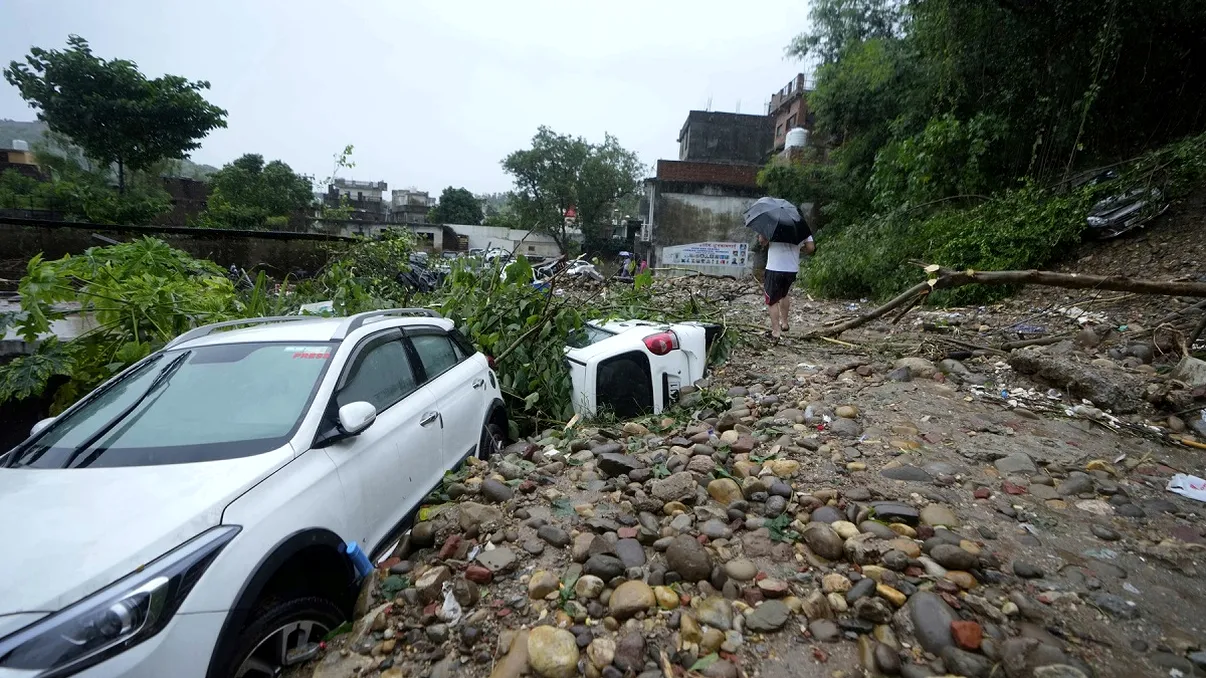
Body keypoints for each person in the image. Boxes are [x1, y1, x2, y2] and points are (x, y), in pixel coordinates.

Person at [761, 226, 815, 340]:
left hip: (775, 267)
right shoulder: (801, 226)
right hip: (791, 268)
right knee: (784, 294)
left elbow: (762, 241)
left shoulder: (772, 224)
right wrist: (799, 249)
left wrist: (763, 236)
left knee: (772, 300)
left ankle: (776, 331)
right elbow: (811, 248)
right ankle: (784, 323)